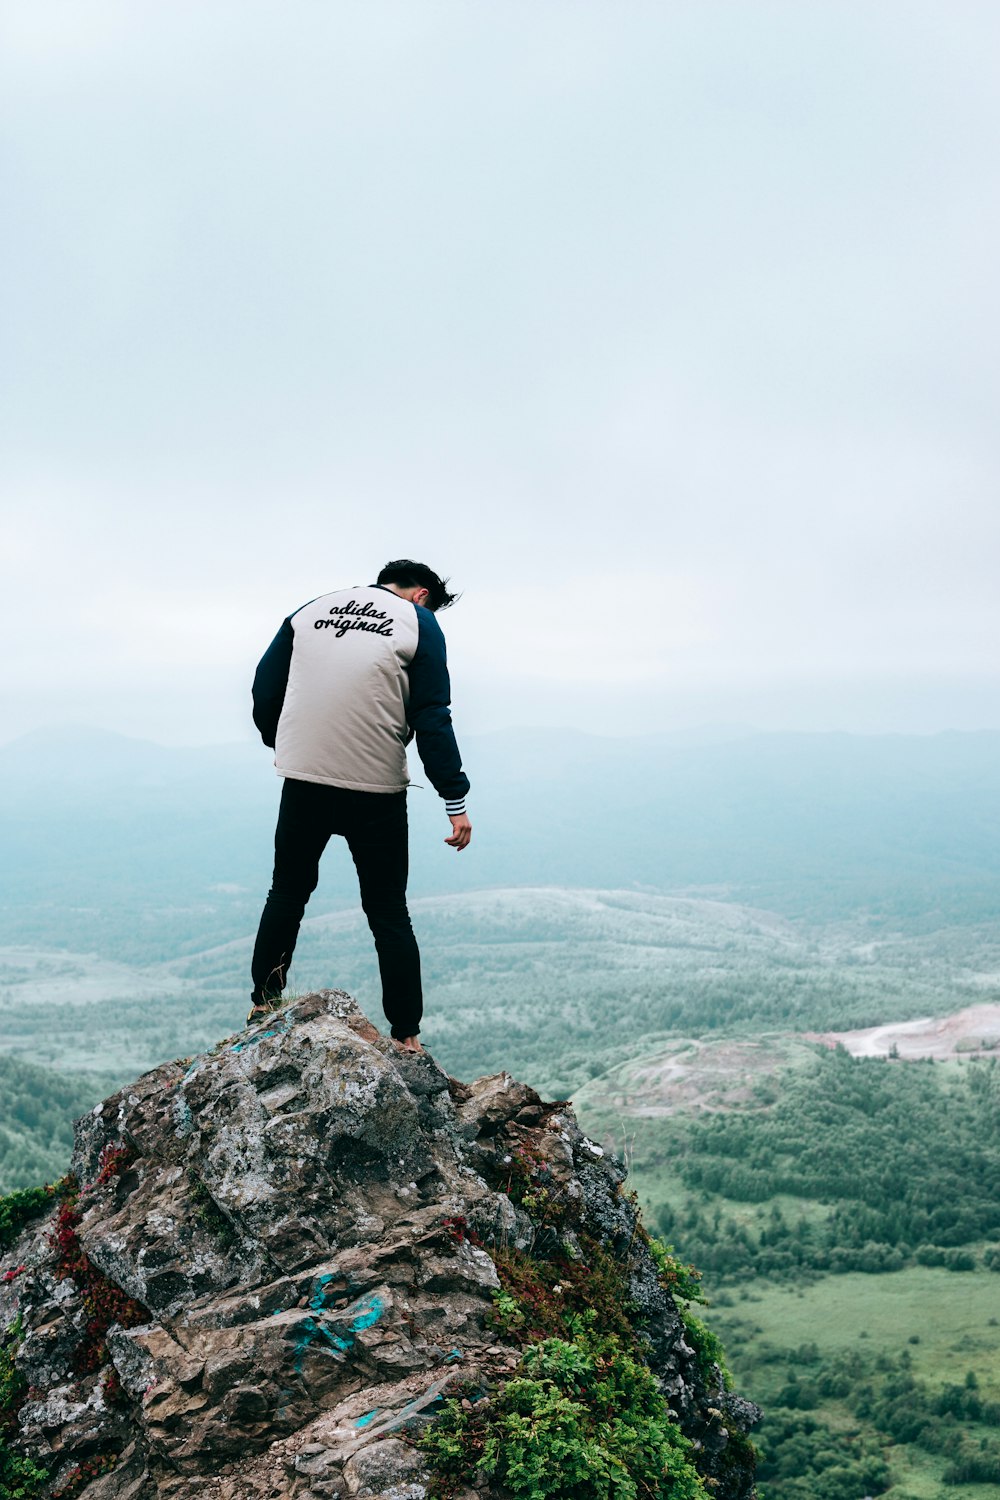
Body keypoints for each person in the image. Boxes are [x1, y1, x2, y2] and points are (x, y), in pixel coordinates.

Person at [248, 560, 472, 1051]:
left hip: (304, 779)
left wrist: (281, 742)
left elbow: (266, 689)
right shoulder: (419, 622)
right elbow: (433, 715)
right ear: (420, 595)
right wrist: (454, 800)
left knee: (287, 891)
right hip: (376, 790)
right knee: (389, 911)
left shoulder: (309, 612)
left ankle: (264, 1004)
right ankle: (407, 1036)